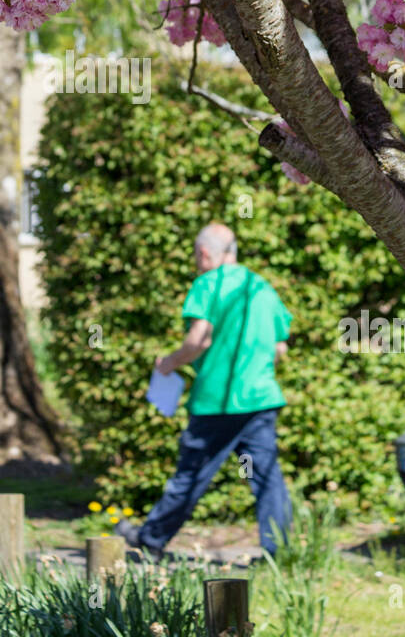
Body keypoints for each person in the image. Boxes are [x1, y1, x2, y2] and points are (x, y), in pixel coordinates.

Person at [116, 222, 293, 559]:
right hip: (259, 398)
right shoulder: (261, 287)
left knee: (192, 474)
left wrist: (168, 363)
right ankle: (279, 554)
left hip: (216, 401)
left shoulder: (208, 284)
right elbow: (279, 347)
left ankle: (151, 540)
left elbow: (200, 339)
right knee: (266, 476)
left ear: (205, 253)